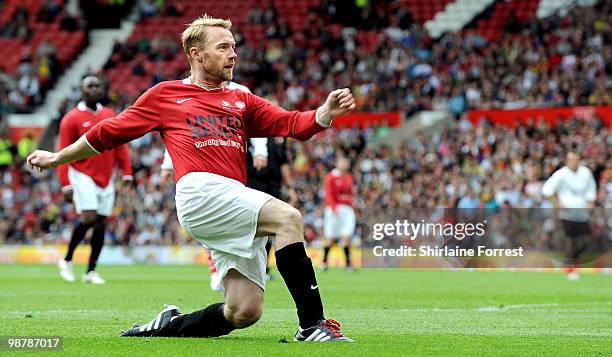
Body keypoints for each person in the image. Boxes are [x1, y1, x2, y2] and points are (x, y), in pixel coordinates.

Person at [27, 14, 356, 342]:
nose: (233, 54)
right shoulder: (165, 95)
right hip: (199, 191)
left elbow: (292, 125)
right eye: (223, 47)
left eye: (234, 47)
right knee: (288, 219)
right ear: (197, 54)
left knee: (243, 311)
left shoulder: (241, 99)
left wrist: (324, 112)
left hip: (232, 195)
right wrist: (57, 157)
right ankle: (313, 323)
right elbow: (108, 133)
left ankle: (168, 324)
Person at [56, 75, 133, 284]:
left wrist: (127, 172)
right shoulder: (71, 118)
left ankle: (90, 271)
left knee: (101, 224)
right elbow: (62, 151)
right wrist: (65, 183)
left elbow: (120, 145)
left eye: (98, 85)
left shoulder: (109, 114)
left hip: (106, 177)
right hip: (82, 174)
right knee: (89, 217)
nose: (94, 89)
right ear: (82, 90)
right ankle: (67, 259)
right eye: (89, 86)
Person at [542, 151, 597, 281]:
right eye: (571, 160)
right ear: (567, 161)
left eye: (576, 159)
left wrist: (590, 202)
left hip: (582, 213)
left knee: (586, 239)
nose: (574, 162)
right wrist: (557, 204)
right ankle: (570, 268)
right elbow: (547, 189)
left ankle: (570, 261)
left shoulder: (585, 173)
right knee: (571, 240)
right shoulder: (561, 174)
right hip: (567, 213)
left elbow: (591, 189)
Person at [321, 156, 355, 271]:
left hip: (347, 209)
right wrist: (334, 208)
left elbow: (350, 194)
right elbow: (329, 194)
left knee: (347, 237)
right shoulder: (331, 177)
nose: (345, 164)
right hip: (334, 209)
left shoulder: (349, 177)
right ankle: (324, 262)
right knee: (330, 238)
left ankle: (348, 264)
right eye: (343, 161)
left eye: (346, 162)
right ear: (337, 164)